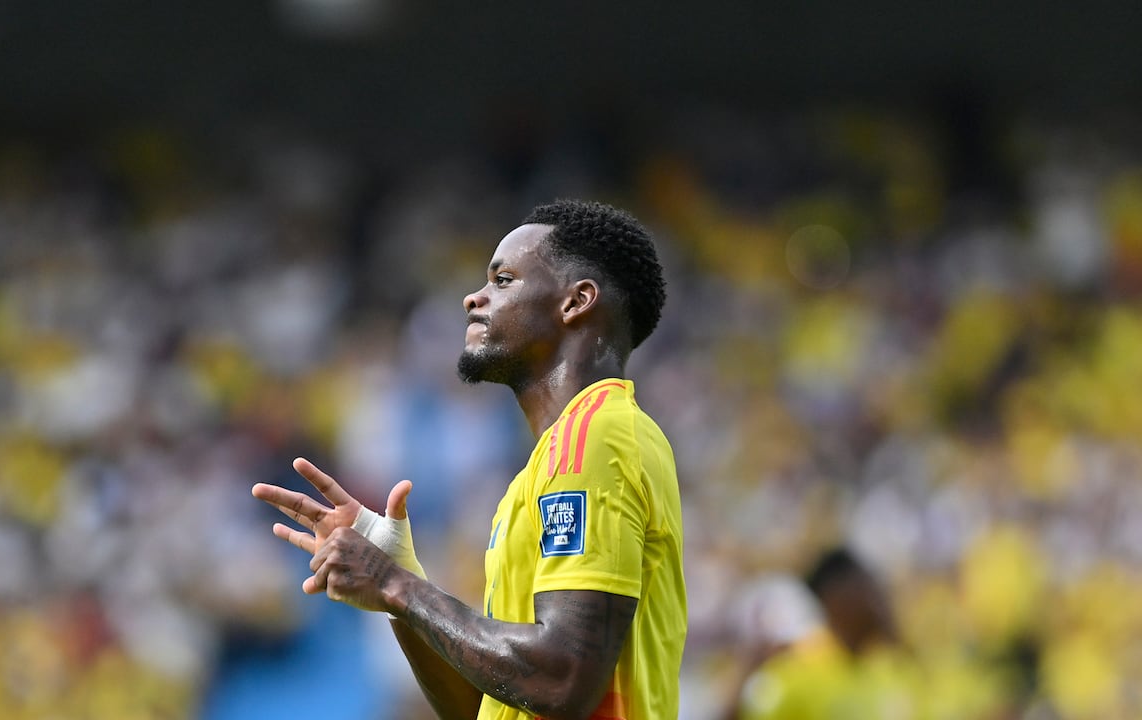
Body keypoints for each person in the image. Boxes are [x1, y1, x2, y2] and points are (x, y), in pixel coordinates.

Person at [252, 199, 686, 720]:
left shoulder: (597, 435)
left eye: (502, 280)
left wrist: (395, 584)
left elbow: (562, 678)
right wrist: (395, 588)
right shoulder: (543, 469)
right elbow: (488, 704)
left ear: (576, 302)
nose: (473, 298)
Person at [726, 548, 920, 720]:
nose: (880, 601)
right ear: (837, 596)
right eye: (869, 587)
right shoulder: (796, 669)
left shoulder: (885, 668)